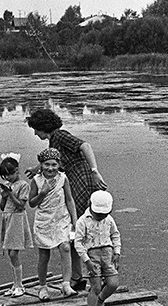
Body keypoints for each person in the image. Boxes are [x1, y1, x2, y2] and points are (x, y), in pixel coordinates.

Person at [26, 108, 108, 293]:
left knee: (82, 232)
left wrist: (95, 171)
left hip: (81, 183)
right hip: (74, 184)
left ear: (42, 127)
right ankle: (77, 277)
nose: (35, 133)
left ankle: (97, 276)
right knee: (74, 235)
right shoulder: (54, 141)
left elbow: (85, 146)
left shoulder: (61, 136)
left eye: (35, 129)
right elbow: (52, 160)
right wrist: (36, 168)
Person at [28, 148, 79, 301]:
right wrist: (42, 193)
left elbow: (69, 199)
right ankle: (42, 287)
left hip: (61, 218)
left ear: (58, 165)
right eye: (47, 165)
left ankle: (66, 284)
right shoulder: (36, 181)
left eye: (54, 165)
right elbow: (31, 203)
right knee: (44, 255)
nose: (50, 168)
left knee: (65, 248)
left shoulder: (63, 178)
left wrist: (74, 220)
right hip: (44, 220)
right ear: (41, 165)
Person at [74, 190, 121, 306]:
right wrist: (86, 261)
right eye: (98, 214)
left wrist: (117, 252)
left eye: (104, 214)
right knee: (96, 286)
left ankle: (100, 300)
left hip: (107, 253)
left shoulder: (109, 220)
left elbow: (115, 235)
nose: (101, 216)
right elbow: (78, 242)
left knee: (113, 283)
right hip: (91, 256)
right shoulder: (83, 221)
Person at [0, 153, 34, 297]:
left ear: (17, 170)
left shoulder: (23, 185)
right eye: (5, 176)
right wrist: (4, 196)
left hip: (17, 219)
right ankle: (15, 285)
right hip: (7, 218)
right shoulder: (7, 185)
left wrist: (11, 194)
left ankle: (20, 285)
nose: (8, 178)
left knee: (14, 253)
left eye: (10, 174)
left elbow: (20, 206)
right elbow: (2, 207)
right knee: (10, 253)